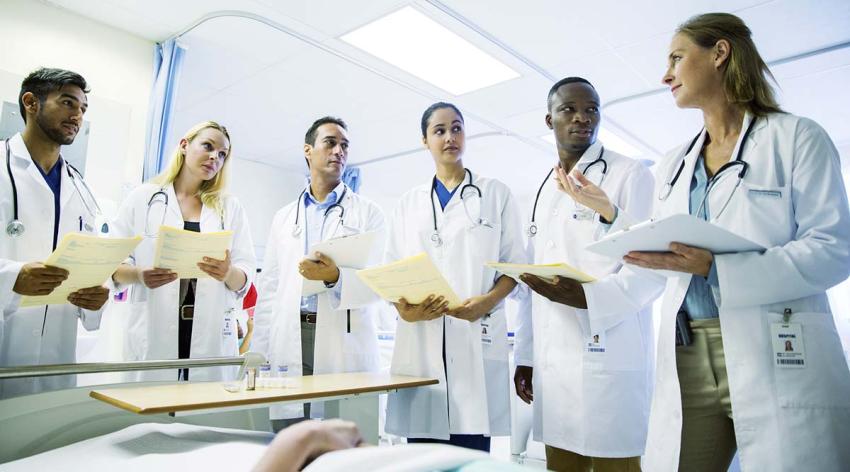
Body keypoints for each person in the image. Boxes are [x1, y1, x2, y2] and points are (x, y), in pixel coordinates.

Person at [574, 13, 850, 471]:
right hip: (687, 354)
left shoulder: (797, 138)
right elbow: (664, 254)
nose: (665, 75)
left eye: (677, 58)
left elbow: (833, 248)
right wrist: (613, 219)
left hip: (774, 348)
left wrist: (717, 269)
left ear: (719, 53)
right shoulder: (673, 164)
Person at [512, 77, 656, 471]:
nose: (582, 118)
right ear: (549, 119)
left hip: (609, 356)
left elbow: (649, 268)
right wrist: (525, 356)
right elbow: (531, 283)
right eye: (569, 109)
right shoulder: (544, 188)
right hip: (554, 368)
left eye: (591, 109)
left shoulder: (630, 174)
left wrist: (586, 297)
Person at [384, 102, 525, 452]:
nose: (450, 137)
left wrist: (488, 302)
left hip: (474, 333)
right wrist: (404, 310)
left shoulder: (495, 194)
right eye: (440, 130)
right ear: (425, 141)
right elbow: (391, 271)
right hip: (422, 338)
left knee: (470, 451)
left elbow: (514, 266)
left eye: (457, 128)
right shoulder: (408, 203)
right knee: (422, 453)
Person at [252, 117, 385, 429]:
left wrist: (334, 277)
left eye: (344, 146)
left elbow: (378, 282)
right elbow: (269, 288)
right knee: (290, 433)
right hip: (291, 335)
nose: (339, 151)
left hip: (342, 337)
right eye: (330, 143)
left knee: (337, 441)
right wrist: (258, 353)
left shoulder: (368, 214)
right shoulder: (284, 218)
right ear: (308, 151)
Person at [110, 121, 256, 381]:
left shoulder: (230, 208)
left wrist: (227, 272)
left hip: (210, 334)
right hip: (154, 326)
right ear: (185, 146)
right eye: (208, 146)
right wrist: (139, 275)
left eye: (222, 154)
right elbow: (111, 263)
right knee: (153, 412)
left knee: (201, 413)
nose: (215, 157)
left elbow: (245, 276)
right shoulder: (142, 198)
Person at [0, 68, 110, 397]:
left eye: (83, 109)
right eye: (67, 103)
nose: (77, 115)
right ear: (31, 103)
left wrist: (96, 298)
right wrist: (11, 278)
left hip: (56, 361)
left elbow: (91, 262)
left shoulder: (81, 188)